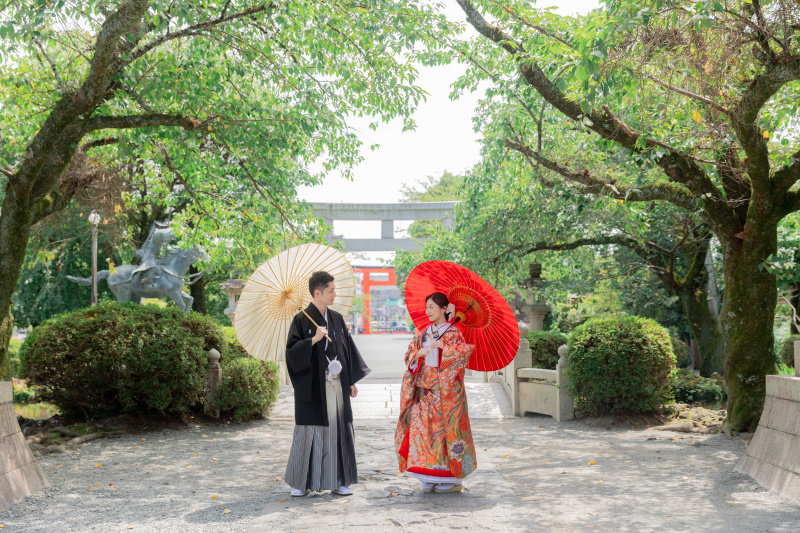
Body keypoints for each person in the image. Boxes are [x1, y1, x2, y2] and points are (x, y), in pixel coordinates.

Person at [284, 271, 371, 497]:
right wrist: (313, 339)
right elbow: (291, 353)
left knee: (337, 429)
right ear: (317, 293)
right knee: (308, 431)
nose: (334, 294)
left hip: (336, 383)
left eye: (334, 290)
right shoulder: (301, 319)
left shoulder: (337, 319)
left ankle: (339, 481)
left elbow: (346, 350)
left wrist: (350, 380)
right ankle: (301, 482)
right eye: (331, 290)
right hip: (313, 385)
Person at [394, 292, 476, 493]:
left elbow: (462, 356)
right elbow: (408, 355)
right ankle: (428, 475)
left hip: (443, 393)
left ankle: (450, 480)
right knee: (423, 434)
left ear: (443, 309)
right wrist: (417, 354)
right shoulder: (423, 332)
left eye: (432, 307)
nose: (428, 311)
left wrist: (445, 348)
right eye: (427, 307)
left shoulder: (453, 332)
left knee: (443, 436)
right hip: (423, 392)